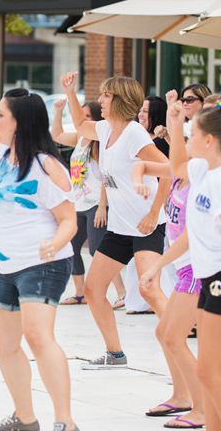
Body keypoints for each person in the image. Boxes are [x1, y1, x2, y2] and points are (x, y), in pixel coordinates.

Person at [0, 69, 82, 431]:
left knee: (37, 335)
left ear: (20, 123)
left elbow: (69, 220)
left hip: (42, 264)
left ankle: (66, 423)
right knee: (3, 341)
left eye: (2, 115)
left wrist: (54, 244)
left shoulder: (46, 164)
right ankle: (25, 417)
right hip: (7, 265)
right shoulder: (5, 153)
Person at [140, 96, 221, 431]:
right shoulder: (205, 170)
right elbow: (176, 165)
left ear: (209, 142)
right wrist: (175, 124)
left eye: (192, 136)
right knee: (208, 371)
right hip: (208, 277)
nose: (186, 142)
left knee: (209, 373)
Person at [59, 72, 171, 370]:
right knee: (94, 291)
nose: (100, 100)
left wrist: (152, 213)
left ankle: (182, 345)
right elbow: (81, 125)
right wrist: (70, 93)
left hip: (147, 227)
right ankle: (115, 354)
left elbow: (168, 171)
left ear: (119, 100)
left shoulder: (135, 133)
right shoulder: (107, 130)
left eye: (105, 95)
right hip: (119, 228)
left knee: (149, 289)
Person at [131, 95, 204, 429]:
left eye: (184, 141)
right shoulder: (178, 172)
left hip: (197, 272)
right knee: (165, 331)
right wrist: (136, 183)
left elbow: (189, 236)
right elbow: (140, 165)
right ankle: (181, 397)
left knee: (174, 336)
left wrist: (156, 267)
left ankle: (200, 408)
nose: (177, 146)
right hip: (184, 268)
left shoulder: (203, 182)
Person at [51, 99, 124, 308]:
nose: (82, 120)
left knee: (97, 250)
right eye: (81, 116)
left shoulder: (99, 142)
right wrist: (59, 111)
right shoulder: (80, 137)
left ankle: (122, 292)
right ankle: (80, 293)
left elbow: (106, 176)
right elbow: (56, 135)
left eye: (87, 117)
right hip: (79, 204)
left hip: (95, 205)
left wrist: (102, 206)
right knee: (70, 246)